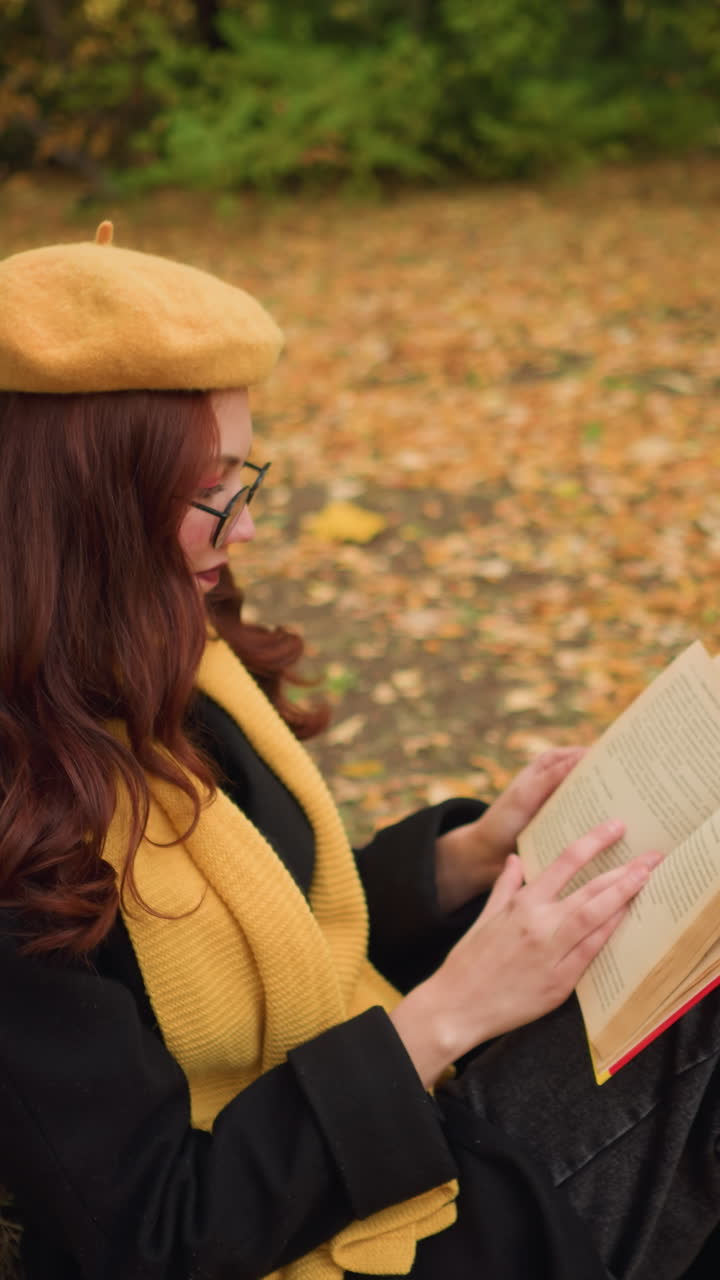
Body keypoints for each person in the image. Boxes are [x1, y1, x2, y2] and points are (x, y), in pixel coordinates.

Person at [0, 222, 717, 1280]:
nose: (243, 529)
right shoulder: (22, 815)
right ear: (79, 509)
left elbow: (279, 944)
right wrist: (444, 1016)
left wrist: (467, 857)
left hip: (386, 1115)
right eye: (213, 492)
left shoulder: (164, 655)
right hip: (333, 1227)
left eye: (249, 478)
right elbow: (145, 1231)